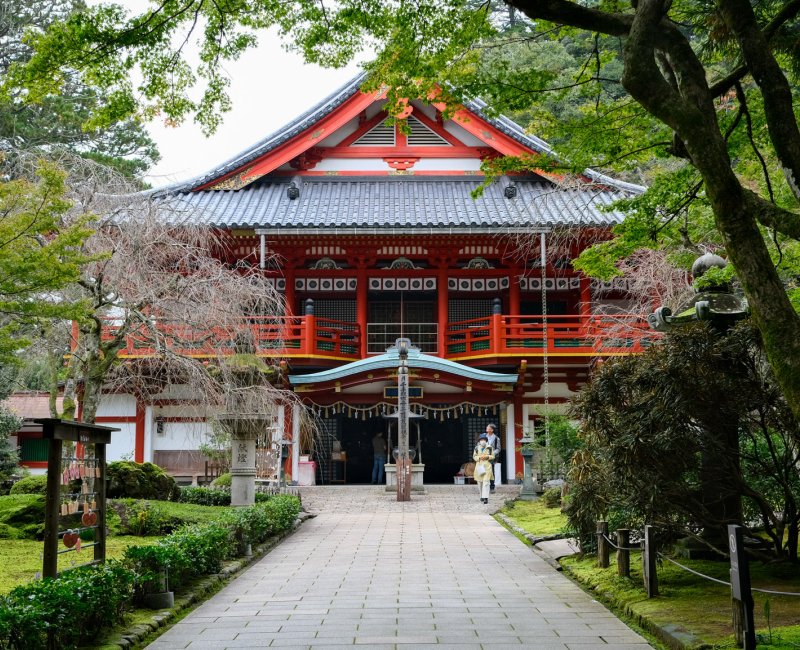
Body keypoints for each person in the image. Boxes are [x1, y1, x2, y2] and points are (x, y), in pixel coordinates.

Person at [473, 433, 494, 504]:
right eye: (481, 440)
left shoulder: (490, 448)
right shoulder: (476, 448)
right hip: (479, 467)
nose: (483, 441)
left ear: (486, 440)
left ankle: (485, 498)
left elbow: (493, 456)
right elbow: (474, 457)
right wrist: (479, 457)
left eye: (484, 440)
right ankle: (481, 496)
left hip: (487, 467)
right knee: (480, 482)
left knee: (486, 482)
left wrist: (487, 457)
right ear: (479, 441)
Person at [485, 424, 501, 491]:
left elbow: (498, 449)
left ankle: (492, 486)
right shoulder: (484, 436)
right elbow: (478, 445)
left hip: (492, 457)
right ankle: (485, 485)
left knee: (491, 471)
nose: (486, 428)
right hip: (484, 456)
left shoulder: (496, 438)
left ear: (492, 430)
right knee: (484, 471)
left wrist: (492, 453)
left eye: (488, 427)